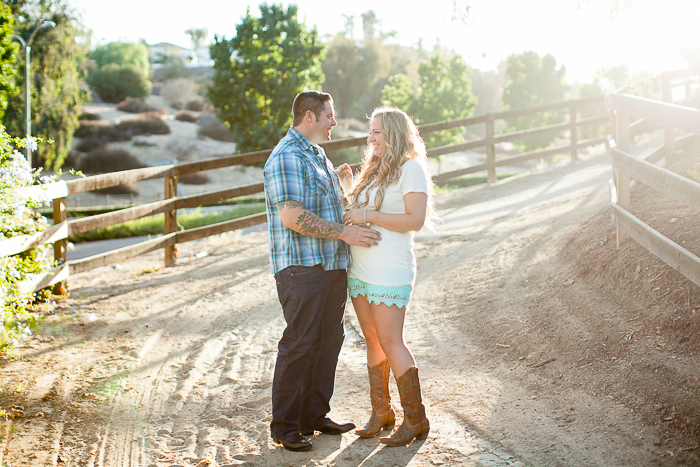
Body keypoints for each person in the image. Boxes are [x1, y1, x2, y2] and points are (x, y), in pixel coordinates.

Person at [263, 91, 382, 452]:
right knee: (300, 343)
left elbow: (328, 208)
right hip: (301, 268)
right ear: (310, 116)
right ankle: (284, 426)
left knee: (329, 340)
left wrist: (341, 186)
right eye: (329, 116)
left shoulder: (317, 154)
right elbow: (293, 216)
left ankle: (314, 415)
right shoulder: (287, 156)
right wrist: (346, 232)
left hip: (331, 265)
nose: (334, 122)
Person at [340, 107, 434, 446]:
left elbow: (414, 220)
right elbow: (357, 213)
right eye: (370, 132)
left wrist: (368, 213)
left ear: (393, 133)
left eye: (377, 132)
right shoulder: (375, 170)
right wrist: (348, 189)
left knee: (392, 341)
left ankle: (416, 419)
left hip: (389, 269)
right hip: (361, 269)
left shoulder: (412, 169)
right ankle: (382, 412)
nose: (370, 138)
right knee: (373, 340)